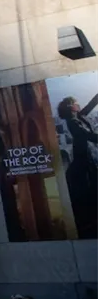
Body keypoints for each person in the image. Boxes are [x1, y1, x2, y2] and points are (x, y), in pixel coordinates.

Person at [59, 94, 98, 239]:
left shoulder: (78, 116)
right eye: (76, 103)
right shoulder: (72, 121)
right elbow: (86, 135)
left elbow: (90, 105)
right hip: (85, 156)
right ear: (71, 107)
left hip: (90, 154)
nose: (79, 105)